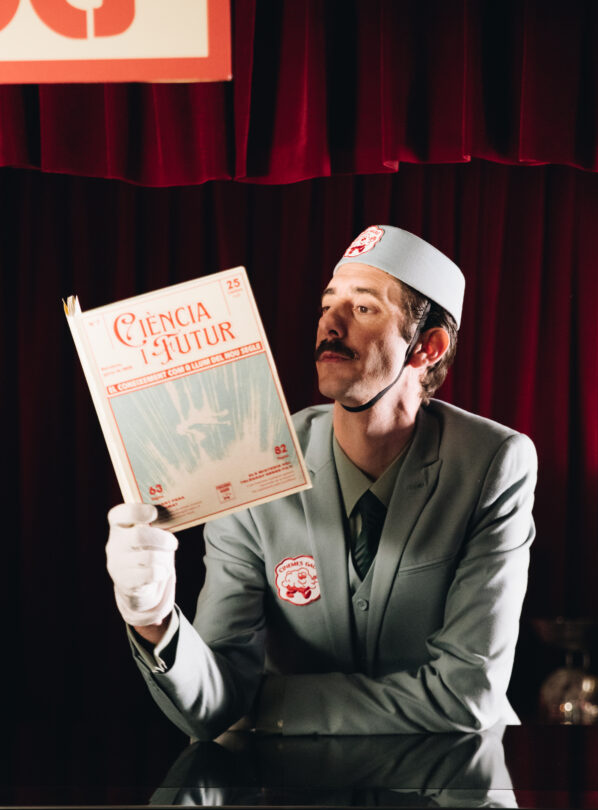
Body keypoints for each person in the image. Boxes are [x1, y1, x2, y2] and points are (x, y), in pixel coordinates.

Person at [106, 225, 537, 739]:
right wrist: (154, 619)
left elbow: (466, 695)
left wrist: (264, 708)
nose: (329, 323)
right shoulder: (250, 460)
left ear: (428, 346)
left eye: (363, 308)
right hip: (291, 782)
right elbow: (212, 704)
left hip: (453, 776)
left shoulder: (493, 463)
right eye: (327, 305)